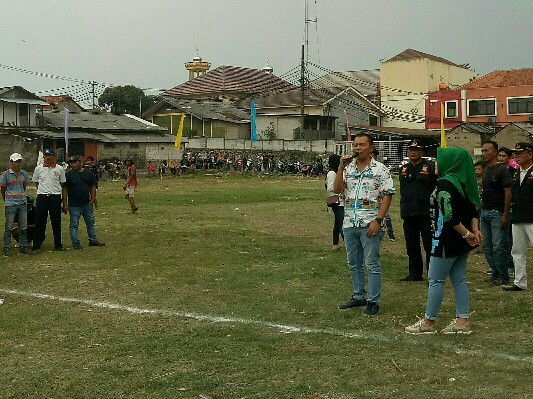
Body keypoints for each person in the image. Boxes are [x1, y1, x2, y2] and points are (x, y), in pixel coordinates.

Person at [405, 147, 481, 335]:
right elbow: (473, 209)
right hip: (460, 242)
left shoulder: (445, 185)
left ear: (450, 163)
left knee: (435, 280)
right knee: (459, 280)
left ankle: (428, 322)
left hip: (445, 240)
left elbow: (448, 216)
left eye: (439, 160)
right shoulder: (461, 183)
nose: (435, 164)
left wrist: (466, 234)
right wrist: (474, 230)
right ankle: (462, 321)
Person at [334, 133, 395, 317]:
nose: (357, 148)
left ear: (371, 148)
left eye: (361, 145)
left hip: (370, 223)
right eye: (355, 145)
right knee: (354, 263)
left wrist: (378, 220)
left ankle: (373, 300)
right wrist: (340, 168)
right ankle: (358, 295)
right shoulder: (348, 168)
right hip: (349, 222)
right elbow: (337, 190)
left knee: (372, 263)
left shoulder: (380, 170)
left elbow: (387, 195)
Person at [398, 140, 437, 281]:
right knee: (411, 245)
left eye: (416, 149)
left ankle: (432, 273)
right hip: (408, 211)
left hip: (425, 212)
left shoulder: (430, 167)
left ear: (422, 151)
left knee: (429, 244)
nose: (413, 152)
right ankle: (415, 273)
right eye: (411, 149)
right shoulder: (403, 168)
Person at [480, 141, 513, 285]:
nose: (484, 153)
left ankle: (503, 275)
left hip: (497, 212)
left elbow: (508, 192)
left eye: (487, 151)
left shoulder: (502, 170)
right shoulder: (486, 169)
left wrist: (505, 214)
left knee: (499, 246)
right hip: (484, 212)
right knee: (487, 246)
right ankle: (495, 272)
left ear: (495, 152)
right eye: (482, 151)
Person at [503, 142, 533, 292]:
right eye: (515, 154)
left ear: (530, 154)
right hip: (518, 217)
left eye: (520, 153)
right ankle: (519, 282)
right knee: (517, 251)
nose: (517, 156)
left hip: (532, 217)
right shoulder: (516, 173)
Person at [62, 155, 105, 250]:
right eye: (71, 163)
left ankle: (92, 240)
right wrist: (65, 204)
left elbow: (93, 186)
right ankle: (75, 243)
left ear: (80, 162)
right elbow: (65, 189)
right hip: (74, 205)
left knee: (90, 222)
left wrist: (93, 199)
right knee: (74, 224)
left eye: (75, 162)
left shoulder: (88, 173)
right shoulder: (68, 174)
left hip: (86, 203)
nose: (73, 164)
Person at [31, 148, 66, 253]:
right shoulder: (38, 168)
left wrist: (63, 202)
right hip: (42, 197)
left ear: (54, 156)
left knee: (56, 222)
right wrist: (43, 191)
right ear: (44, 157)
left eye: (50, 155)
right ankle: (37, 245)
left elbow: (62, 184)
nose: (48, 157)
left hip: (55, 197)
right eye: (46, 155)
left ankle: (58, 245)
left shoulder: (59, 169)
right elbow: (36, 182)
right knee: (40, 222)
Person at [1, 153, 31, 256]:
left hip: (22, 203)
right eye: (15, 161)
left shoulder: (24, 174)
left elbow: (24, 186)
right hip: (11, 204)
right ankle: (6, 248)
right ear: (11, 162)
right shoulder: (6, 174)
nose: (17, 164)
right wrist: (7, 199)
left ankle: (22, 247)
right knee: (9, 227)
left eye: (19, 161)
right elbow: (3, 188)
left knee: (23, 227)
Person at [371, 148, 395, 242]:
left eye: (372, 156)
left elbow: (388, 191)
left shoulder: (381, 169)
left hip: (381, 200)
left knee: (386, 217)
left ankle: (391, 235)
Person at [325, 154, 344, 251]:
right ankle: (348, 243)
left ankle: (335, 244)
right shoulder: (332, 173)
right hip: (337, 201)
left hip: (338, 200)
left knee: (337, 223)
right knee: (342, 222)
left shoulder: (336, 172)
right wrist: (342, 186)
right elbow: (331, 188)